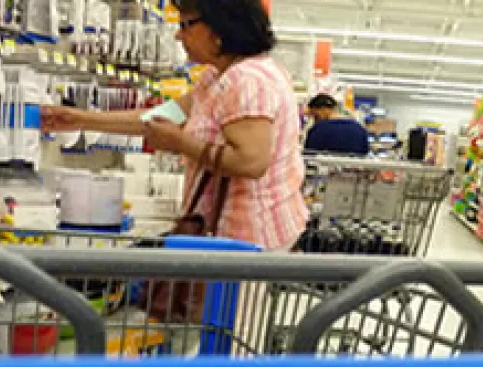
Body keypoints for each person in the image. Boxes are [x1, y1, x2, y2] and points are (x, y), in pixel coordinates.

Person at [41, 0, 308, 253]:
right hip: (227, 236)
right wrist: (82, 119)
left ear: (219, 28)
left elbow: (251, 162)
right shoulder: (218, 77)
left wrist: (178, 142)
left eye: (186, 25)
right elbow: (164, 116)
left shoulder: (247, 79)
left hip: (247, 241)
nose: (178, 37)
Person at [304, 94, 370, 155]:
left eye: (316, 116)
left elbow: (308, 156)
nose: (315, 121)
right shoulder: (360, 129)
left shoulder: (317, 129)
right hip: (353, 167)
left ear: (323, 109)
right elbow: (365, 155)